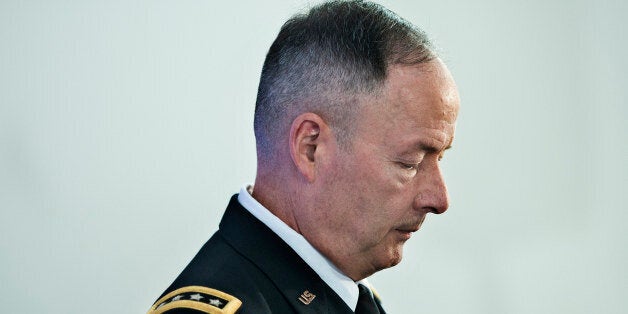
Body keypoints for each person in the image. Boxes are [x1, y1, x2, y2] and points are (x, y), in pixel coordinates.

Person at [147, 0, 460, 313]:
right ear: (311, 148)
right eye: (411, 162)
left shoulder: (352, 298)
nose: (439, 199)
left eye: (440, 159)